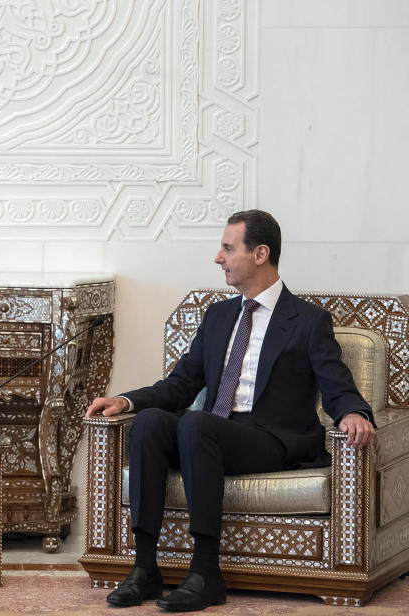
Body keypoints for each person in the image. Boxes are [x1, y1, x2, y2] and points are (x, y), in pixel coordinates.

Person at [85, 209, 375, 612]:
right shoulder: (219, 316)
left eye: (226, 248)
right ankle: (144, 568)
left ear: (260, 253)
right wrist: (127, 401)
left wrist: (354, 413)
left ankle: (205, 573)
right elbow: (181, 384)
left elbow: (336, 384)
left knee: (196, 427)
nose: (217, 258)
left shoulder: (307, 321)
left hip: (271, 439)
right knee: (151, 423)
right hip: (210, 432)